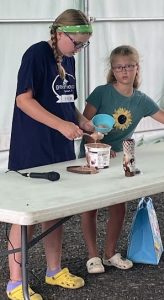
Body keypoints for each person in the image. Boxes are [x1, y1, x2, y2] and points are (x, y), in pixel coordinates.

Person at [7, 9, 93, 300]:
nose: (79, 50)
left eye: (84, 44)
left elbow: (67, 102)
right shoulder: (36, 54)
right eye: (77, 43)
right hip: (32, 147)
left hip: (60, 150)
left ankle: (53, 270)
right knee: (25, 212)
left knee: (55, 211)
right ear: (60, 33)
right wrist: (61, 125)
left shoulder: (67, 59)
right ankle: (15, 283)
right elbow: (23, 100)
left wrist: (81, 122)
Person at [80, 45, 164, 274]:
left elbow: (162, 117)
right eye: (118, 67)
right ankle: (92, 256)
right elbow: (84, 124)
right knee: (90, 208)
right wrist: (98, 145)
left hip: (121, 159)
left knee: (118, 207)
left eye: (128, 66)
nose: (124, 71)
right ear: (112, 70)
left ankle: (110, 253)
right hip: (94, 154)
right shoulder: (101, 92)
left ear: (137, 68)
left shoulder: (142, 100)